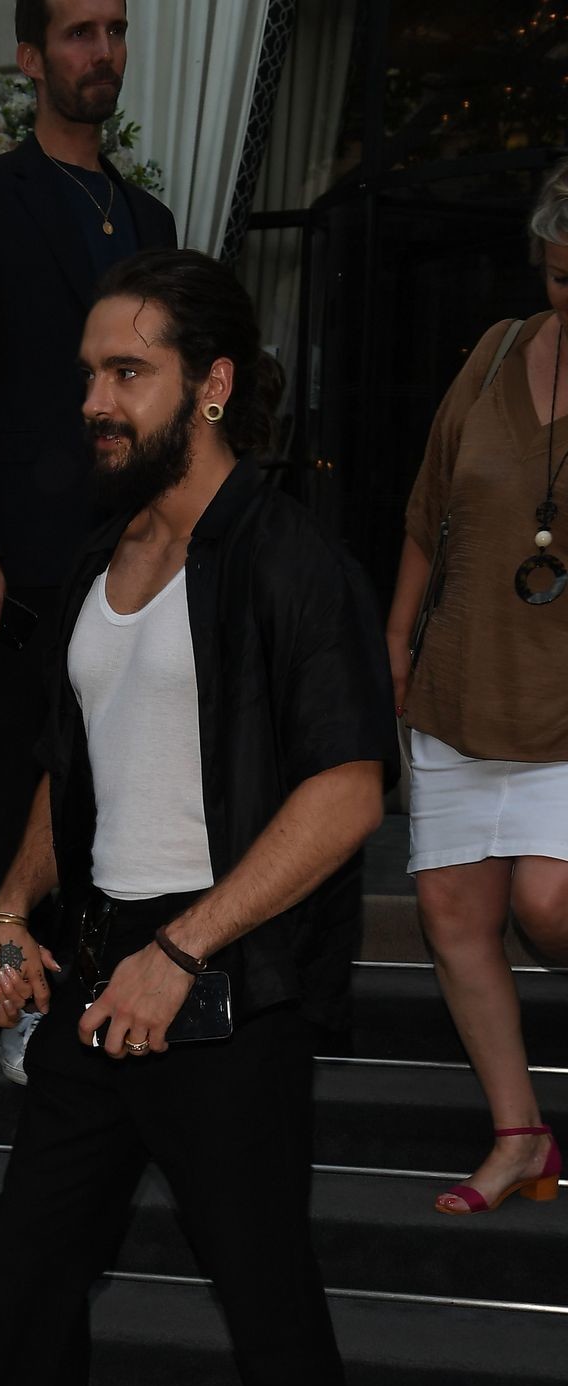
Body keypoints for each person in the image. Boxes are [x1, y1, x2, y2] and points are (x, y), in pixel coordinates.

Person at [0, 250, 400, 1386]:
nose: (97, 402)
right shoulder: (100, 559)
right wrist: (6, 910)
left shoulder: (287, 557)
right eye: (90, 376)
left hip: (222, 973)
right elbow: (75, 767)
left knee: (260, 1280)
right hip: (107, 961)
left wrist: (185, 947)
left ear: (209, 384)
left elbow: (347, 792)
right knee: (34, 1254)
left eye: (129, 374)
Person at [0, 0, 176, 1055]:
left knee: (129, 773)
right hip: (19, 559)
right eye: (78, 33)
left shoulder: (149, 219)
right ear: (29, 56)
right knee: (28, 775)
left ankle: (112, 992)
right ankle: (13, 1001)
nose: (101, 51)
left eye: (113, 30)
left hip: (135, 553)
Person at [384, 162, 568, 1218]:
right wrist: (395, 637)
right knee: (452, 910)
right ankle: (517, 1134)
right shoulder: (496, 351)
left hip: (561, 704)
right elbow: (428, 511)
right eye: (558, 276)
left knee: (548, 903)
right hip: (462, 682)